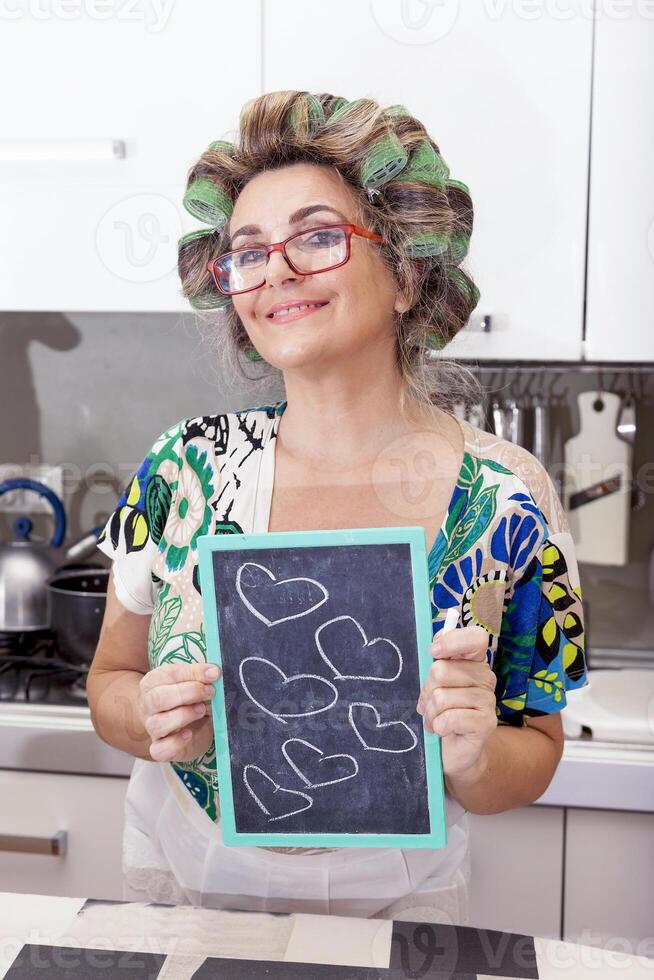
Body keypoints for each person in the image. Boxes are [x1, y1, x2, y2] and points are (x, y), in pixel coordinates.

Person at [87, 90, 588, 922]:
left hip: (402, 903)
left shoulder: (508, 498)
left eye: (317, 237)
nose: (275, 269)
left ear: (407, 272)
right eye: (247, 251)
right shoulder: (184, 467)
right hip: (183, 885)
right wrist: (147, 716)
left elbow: (532, 752)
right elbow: (109, 679)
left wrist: (471, 752)